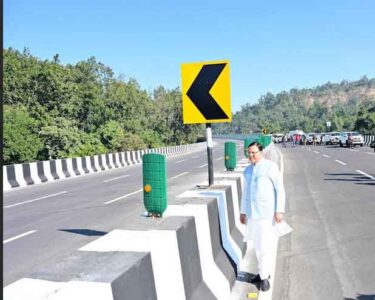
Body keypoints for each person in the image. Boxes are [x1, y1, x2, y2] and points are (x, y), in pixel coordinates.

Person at [240, 142, 286, 292]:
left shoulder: (270, 167)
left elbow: (279, 189)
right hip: (253, 214)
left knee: (265, 246)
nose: (251, 155)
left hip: (267, 213)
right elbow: (245, 193)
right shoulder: (247, 171)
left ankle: (265, 277)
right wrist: (243, 212)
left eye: (254, 152)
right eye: (249, 153)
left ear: (261, 152)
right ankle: (262, 273)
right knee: (257, 245)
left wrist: (279, 210)